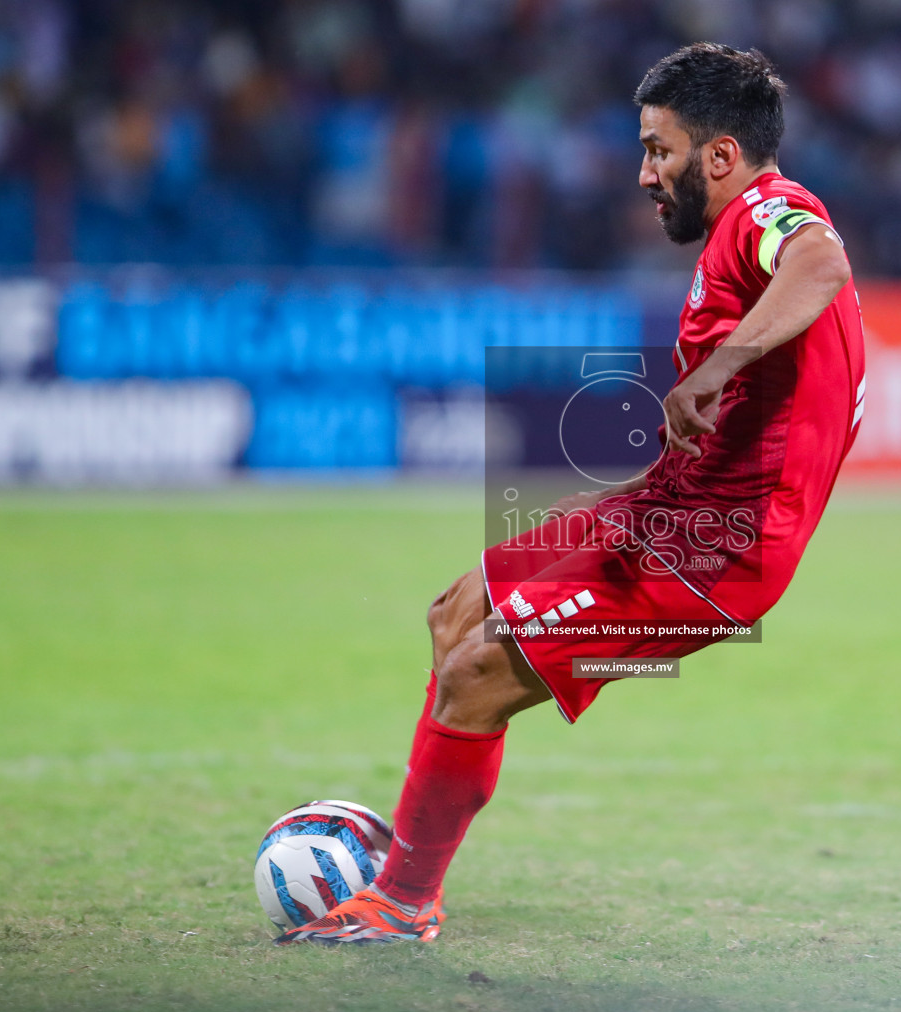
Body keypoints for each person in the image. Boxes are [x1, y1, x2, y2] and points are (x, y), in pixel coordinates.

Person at [275, 42, 867, 946]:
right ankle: (416, 843)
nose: (644, 173)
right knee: (455, 614)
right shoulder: (737, 234)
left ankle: (401, 902)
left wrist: (725, 364)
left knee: (477, 675)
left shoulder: (770, 213)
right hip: (669, 508)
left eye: (658, 151)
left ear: (719, 156)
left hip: (718, 552)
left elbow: (820, 266)